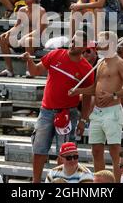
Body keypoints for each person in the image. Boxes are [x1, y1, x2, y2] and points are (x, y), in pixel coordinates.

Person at [21, 30, 95, 183]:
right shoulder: (55, 55)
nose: (73, 44)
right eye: (73, 40)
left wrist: (83, 120)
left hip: (68, 113)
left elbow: (88, 96)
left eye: (77, 43)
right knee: (39, 149)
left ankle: (62, 182)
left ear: (84, 47)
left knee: (65, 152)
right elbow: (35, 71)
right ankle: (36, 182)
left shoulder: (86, 69)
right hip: (46, 110)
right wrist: (28, 60)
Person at [71, 31, 123, 182]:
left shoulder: (119, 63)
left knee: (115, 152)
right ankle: (100, 183)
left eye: (101, 42)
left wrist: (113, 95)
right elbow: (95, 88)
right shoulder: (101, 62)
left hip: (112, 111)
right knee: (96, 150)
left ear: (110, 44)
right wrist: (78, 91)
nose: (98, 46)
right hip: (98, 112)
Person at [0, 0, 47, 78]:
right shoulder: (22, 10)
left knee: (28, 40)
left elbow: (39, 30)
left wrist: (26, 37)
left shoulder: (41, 11)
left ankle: (29, 71)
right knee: (2, 39)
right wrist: (8, 32)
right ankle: (9, 70)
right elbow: (17, 26)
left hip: (37, 40)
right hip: (23, 38)